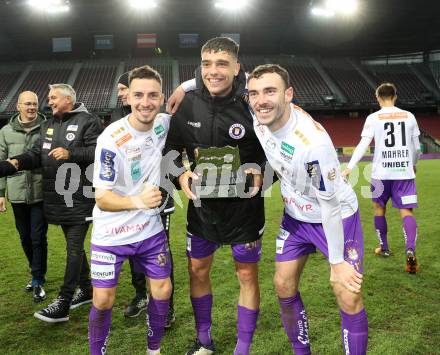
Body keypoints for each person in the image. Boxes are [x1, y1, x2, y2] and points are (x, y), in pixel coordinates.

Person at [247, 64, 368, 354]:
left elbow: (329, 206)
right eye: (254, 93)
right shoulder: (258, 117)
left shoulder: (313, 146)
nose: (260, 100)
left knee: (347, 292)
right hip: (295, 217)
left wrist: (337, 261)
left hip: (336, 217)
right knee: (283, 285)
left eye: (270, 91)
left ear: (288, 94)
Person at [164, 37, 266, 355]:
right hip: (202, 208)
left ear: (237, 68)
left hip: (244, 209)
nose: (213, 71)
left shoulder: (253, 104)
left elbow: (274, 149)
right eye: (207, 64)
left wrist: (262, 168)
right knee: (197, 270)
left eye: (222, 63)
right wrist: (180, 174)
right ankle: (203, 340)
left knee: (246, 273)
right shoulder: (189, 103)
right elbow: (169, 152)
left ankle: (243, 347)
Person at [0, 83, 102, 322]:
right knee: (73, 246)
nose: (49, 102)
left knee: (74, 248)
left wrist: (71, 153)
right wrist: (12, 164)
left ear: (68, 99)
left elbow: (99, 152)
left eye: (53, 97)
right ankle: (86, 290)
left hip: (80, 197)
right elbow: (37, 155)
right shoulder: (49, 124)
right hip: (58, 199)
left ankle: (64, 302)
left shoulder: (89, 121)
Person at [88, 65, 172, 355]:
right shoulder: (111, 138)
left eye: (152, 95)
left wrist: (184, 89)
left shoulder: (164, 124)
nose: (145, 102)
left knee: (162, 290)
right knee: (103, 300)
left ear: (162, 98)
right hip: (111, 233)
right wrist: (138, 201)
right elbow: (103, 199)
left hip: (149, 229)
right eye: (138, 95)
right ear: (127, 97)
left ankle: (154, 349)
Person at [110, 71, 176, 325]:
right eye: (127, 93)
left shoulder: (165, 121)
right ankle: (141, 295)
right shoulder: (118, 119)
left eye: (122, 89)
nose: (120, 94)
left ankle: (166, 307)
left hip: (159, 201)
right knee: (133, 253)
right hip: (127, 202)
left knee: (161, 256)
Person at [342, 83, 421, 273]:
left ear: (378, 97)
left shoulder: (373, 118)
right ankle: (410, 250)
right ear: (395, 96)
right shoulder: (409, 116)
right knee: (406, 212)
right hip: (403, 172)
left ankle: (384, 248)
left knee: (379, 208)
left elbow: (363, 144)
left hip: (380, 173)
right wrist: (413, 164)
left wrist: (349, 167)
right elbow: (417, 147)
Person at [0, 91, 48, 302]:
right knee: (25, 238)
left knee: (38, 238)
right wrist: (1, 193)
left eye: (35, 104)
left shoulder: (47, 127)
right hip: (17, 192)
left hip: (40, 192)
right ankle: (34, 271)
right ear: (18, 106)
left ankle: (38, 279)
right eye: (27, 104)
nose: (31, 107)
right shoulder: (5, 132)